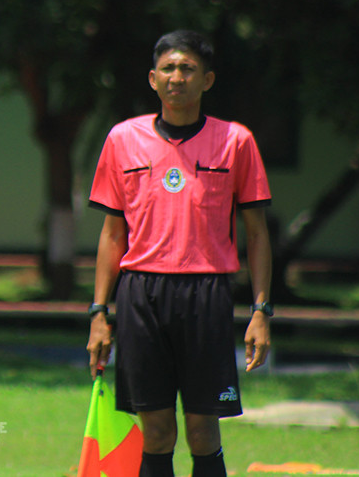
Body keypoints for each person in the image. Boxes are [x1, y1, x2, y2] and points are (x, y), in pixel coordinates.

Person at [85, 30, 273, 477]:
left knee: (203, 431)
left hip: (206, 294)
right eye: (168, 68)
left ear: (207, 80)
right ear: (152, 79)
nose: (177, 77)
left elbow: (257, 235)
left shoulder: (235, 141)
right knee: (156, 431)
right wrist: (98, 312)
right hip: (140, 294)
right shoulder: (122, 139)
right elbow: (113, 236)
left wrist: (261, 310)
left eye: (188, 69)